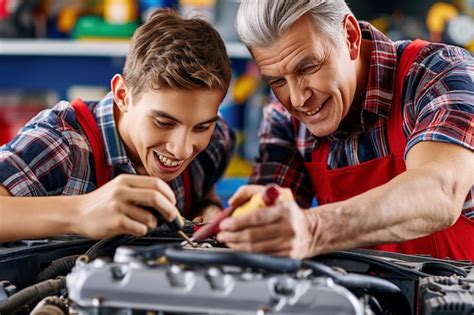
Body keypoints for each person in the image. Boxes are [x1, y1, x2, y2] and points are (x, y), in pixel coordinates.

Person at [217, 0, 473, 260]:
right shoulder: (285, 117)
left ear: (350, 37)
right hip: (358, 299)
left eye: (307, 67)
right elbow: (267, 222)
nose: (297, 99)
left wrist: (313, 229)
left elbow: (439, 192)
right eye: (278, 81)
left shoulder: (440, 74)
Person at [0, 9, 235, 242]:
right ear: (122, 95)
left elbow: (204, 191)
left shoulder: (216, 142)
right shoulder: (63, 142)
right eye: (163, 122)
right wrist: (78, 212)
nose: (182, 150)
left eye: (201, 127)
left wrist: (209, 209)